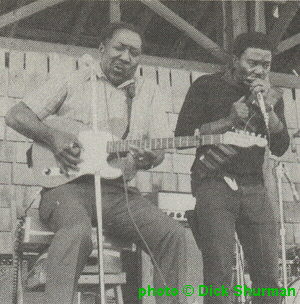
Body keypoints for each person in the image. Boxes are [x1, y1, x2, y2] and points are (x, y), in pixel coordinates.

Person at [6, 22, 187, 304]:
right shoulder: (72, 79)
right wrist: (53, 136)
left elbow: (159, 148)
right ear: (102, 49)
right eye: (120, 48)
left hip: (118, 192)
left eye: (134, 53)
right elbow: (16, 115)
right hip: (65, 188)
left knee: (173, 236)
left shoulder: (149, 92)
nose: (126, 57)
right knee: (77, 231)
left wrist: (150, 158)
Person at [175, 32, 290, 304]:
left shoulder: (272, 96)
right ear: (234, 59)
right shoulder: (206, 86)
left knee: (267, 275)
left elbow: (281, 146)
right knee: (219, 272)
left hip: (254, 187)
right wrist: (227, 121)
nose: (260, 71)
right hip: (214, 181)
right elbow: (182, 136)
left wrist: (270, 112)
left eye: (266, 65)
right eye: (252, 63)